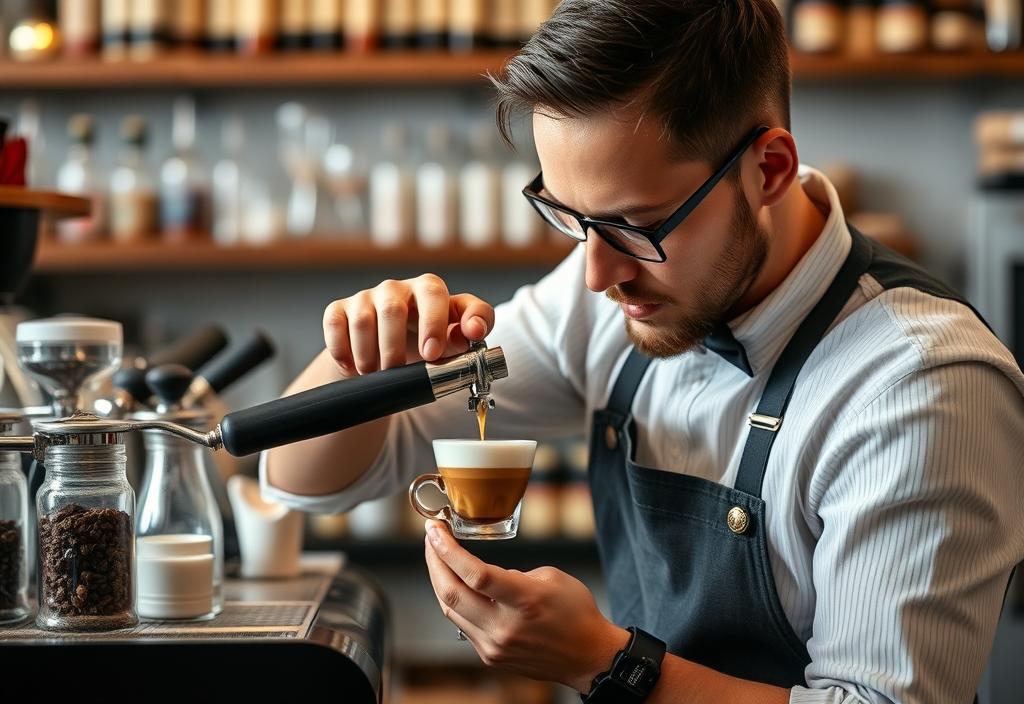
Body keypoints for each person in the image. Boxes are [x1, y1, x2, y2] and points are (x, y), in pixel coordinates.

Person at [262, 1, 1024, 701]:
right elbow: (308, 480)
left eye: (636, 226)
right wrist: (359, 356)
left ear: (770, 169)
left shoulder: (921, 386)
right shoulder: (609, 291)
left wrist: (604, 662)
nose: (597, 273)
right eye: (571, 218)